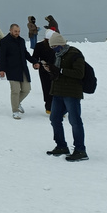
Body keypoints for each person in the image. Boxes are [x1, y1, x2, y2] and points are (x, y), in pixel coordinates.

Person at [43, 32, 88, 161]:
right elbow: (57, 74)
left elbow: (79, 73)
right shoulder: (57, 55)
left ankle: (80, 150)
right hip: (58, 92)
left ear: (60, 44)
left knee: (75, 121)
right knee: (54, 118)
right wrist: (51, 70)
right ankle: (61, 146)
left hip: (71, 93)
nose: (53, 49)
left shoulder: (75, 54)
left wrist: (60, 70)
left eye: (54, 46)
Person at [0, 24, 34, 119]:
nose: (17, 33)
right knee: (15, 91)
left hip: (23, 68)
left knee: (27, 89)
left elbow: (25, 53)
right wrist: (1, 69)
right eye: (15, 31)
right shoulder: (4, 41)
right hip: (11, 69)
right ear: (10, 30)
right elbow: (1, 56)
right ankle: (15, 110)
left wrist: (34, 61)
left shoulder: (21, 41)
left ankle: (17, 103)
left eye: (18, 31)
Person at [30, 32, 56, 114]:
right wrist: (36, 64)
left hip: (56, 70)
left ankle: (58, 108)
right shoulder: (39, 45)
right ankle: (48, 107)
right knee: (47, 88)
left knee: (57, 89)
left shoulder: (57, 45)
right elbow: (35, 58)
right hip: (44, 70)